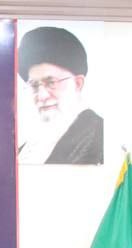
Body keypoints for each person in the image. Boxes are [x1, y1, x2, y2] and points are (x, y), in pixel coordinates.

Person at [16, 26, 103, 165]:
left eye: (51, 82)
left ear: (78, 84)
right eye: (34, 85)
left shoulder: (98, 133)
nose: (42, 95)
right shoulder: (28, 145)